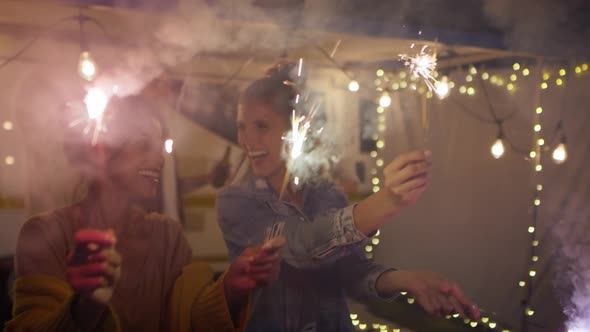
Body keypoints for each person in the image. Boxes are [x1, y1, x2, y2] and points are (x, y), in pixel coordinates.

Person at [216, 63, 480, 331]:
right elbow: (301, 245)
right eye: (241, 126)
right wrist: (386, 201)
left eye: (261, 126)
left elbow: (348, 273)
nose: (247, 139)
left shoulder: (325, 193)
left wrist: (406, 280)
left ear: (297, 129)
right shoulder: (236, 201)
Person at [5, 94, 283, 332]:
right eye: (142, 145)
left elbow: (189, 322)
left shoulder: (167, 235)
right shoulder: (46, 234)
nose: (159, 159)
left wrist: (231, 288)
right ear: (102, 150)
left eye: (159, 145)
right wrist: (84, 306)